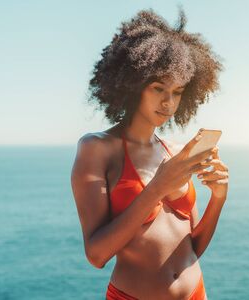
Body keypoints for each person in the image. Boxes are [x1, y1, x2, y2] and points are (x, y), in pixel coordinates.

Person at [70, 7, 229, 300]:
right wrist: (157, 188)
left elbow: (192, 249)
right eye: (158, 88)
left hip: (197, 293)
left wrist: (219, 198)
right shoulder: (97, 149)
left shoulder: (177, 152)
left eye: (178, 92)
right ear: (133, 84)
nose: (169, 103)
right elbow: (96, 254)